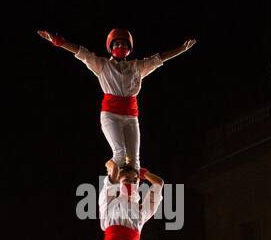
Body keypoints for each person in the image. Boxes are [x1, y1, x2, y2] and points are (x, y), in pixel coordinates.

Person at [37, 27, 195, 175]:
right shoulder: (102, 65)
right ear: (111, 47)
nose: (120, 45)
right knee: (120, 155)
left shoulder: (137, 66)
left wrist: (181, 49)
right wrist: (59, 42)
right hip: (111, 114)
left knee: (134, 162)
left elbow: (159, 58)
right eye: (117, 43)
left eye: (124, 43)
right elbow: (82, 53)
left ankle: (129, 196)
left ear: (129, 48)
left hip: (131, 116)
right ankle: (109, 187)